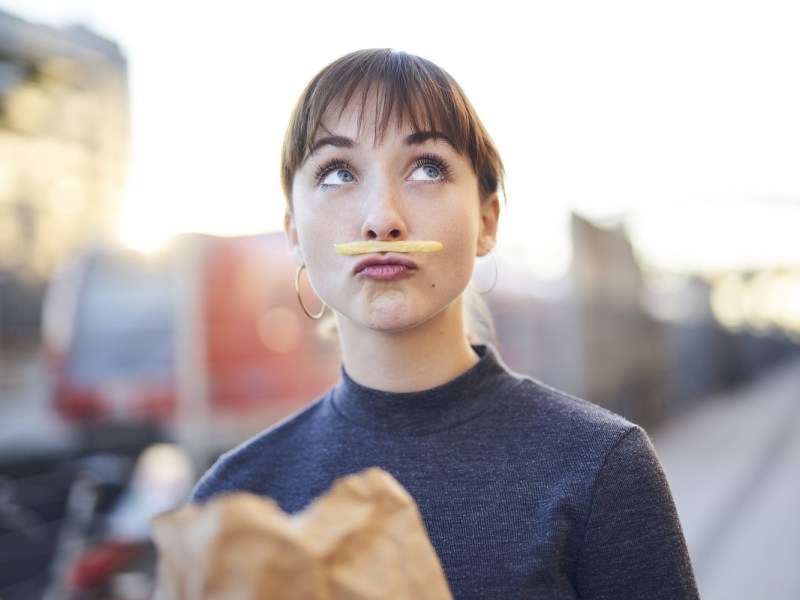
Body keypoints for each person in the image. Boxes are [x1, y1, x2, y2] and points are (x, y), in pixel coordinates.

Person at [192, 48, 700, 599]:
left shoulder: (603, 468)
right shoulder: (236, 499)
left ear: (486, 222)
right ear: (293, 234)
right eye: (337, 172)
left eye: (427, 168)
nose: (382, 219)